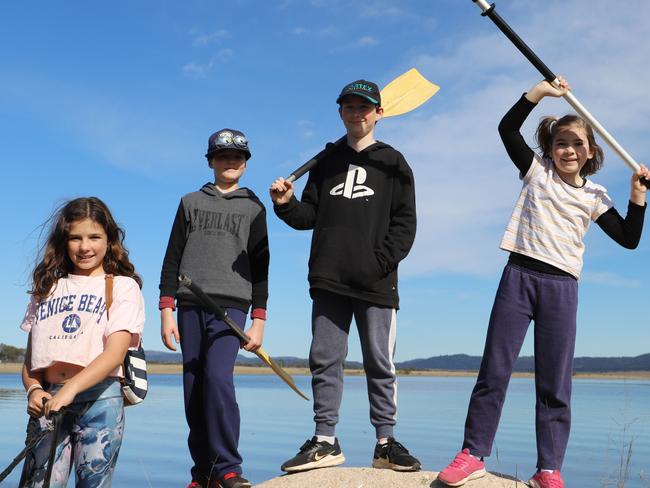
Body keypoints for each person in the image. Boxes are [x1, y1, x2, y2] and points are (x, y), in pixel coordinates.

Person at [438, 77, 648, 488]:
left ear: (591, 152)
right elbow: (507, 128)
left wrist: (637, 197)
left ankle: (548, 469)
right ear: (551, 148)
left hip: (562, 289)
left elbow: (629, 239)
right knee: (494, 370)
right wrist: (537, 93)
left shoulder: (595, 196)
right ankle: (473, 453)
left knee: (555, 382)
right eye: (561, 143)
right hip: (519, 276)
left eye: (577, 144)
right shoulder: (537, 172)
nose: (568, 150)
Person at [269, 79, 421, 473]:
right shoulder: (327, 161)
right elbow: (308, 217)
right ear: (341, 113)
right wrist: (285, 204)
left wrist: (378, 263)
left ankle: (385, 443)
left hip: (375, 281)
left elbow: (405, 224)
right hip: (328, 276)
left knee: (379, 362)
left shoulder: (394, 162)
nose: (357, 113)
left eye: (365, 107)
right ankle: (324, 441)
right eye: (349, 107)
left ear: (379, 113)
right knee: (324, 358)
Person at [159, 128, 269, 488]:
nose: (230, 162)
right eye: (223, 156)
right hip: (190, 303)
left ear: (245, 164)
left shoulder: (254, 207)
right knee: (194, 388)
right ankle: (203, 472)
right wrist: (166, 309)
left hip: (233, 305)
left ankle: (229, 468)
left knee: (219, 379)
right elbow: (172, 257)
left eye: (237, 157)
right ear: (210, 161)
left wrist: (259, 321)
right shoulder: (190, 201)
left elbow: (261, 267)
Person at [19, 196, 145, 487]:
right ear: (63, 240)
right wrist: (34, 390)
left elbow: (115, 354)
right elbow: (31, 362)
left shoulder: (121, 286)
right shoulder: (46, 288)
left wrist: (72, 389)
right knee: (39, 483)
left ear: (109, 239)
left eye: (94, 237)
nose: (85, 247)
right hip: (49, 400)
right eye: (75, 238)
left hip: (101, 400)